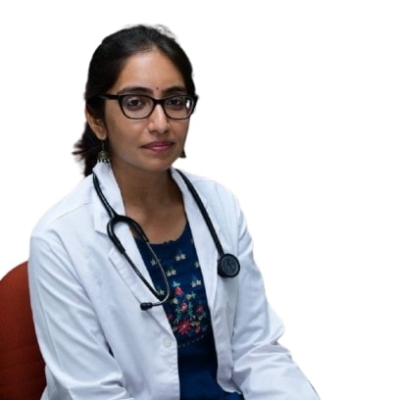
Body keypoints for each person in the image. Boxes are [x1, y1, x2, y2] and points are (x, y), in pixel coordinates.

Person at [28, 24, 320, 400]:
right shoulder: (59, 239)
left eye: (175, 101)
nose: (161, 123)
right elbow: (92, 392)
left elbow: (255, 348)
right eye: (136, 102)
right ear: (97, 119)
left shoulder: (220, 205)